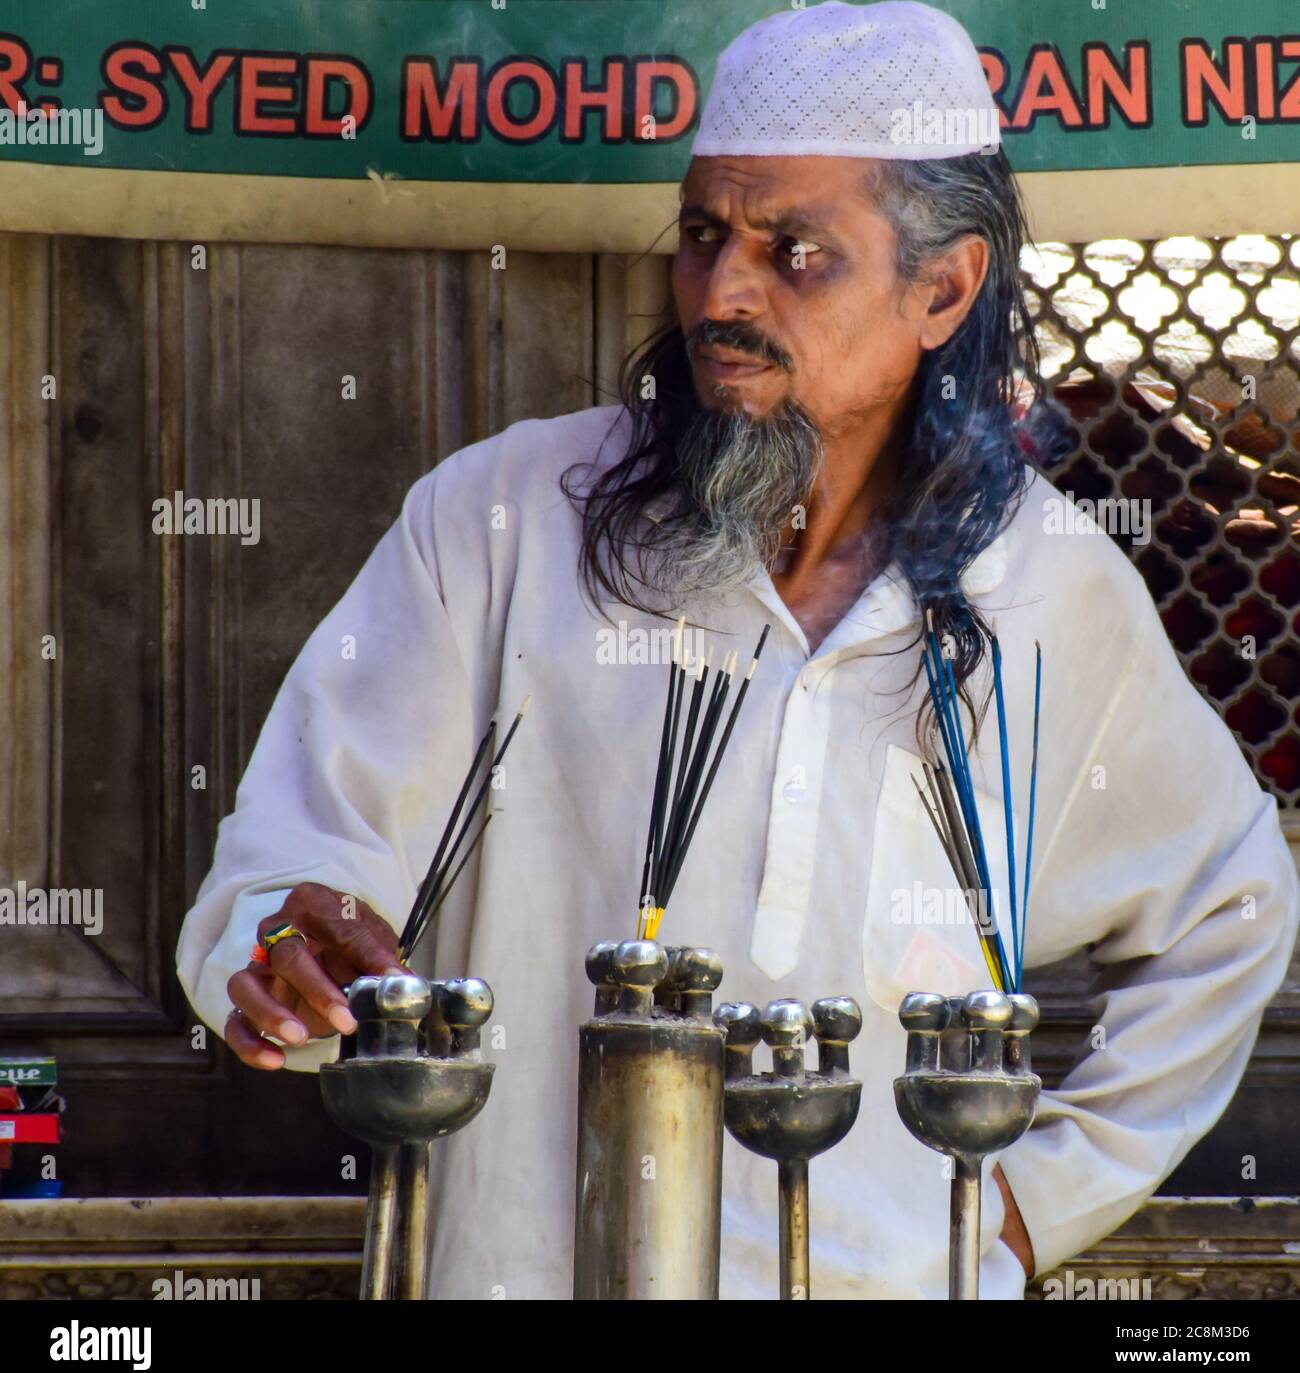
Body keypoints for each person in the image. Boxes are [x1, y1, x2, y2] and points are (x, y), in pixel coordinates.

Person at [176, 1, 1298, 1298]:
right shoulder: (500, 523)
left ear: (944, 286)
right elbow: (294, 867)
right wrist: (288, 958)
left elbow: (1232, 904)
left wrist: (1029, 1206)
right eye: (703, 234)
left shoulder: (1044, 584)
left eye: (796, 251)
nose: (721, 293)